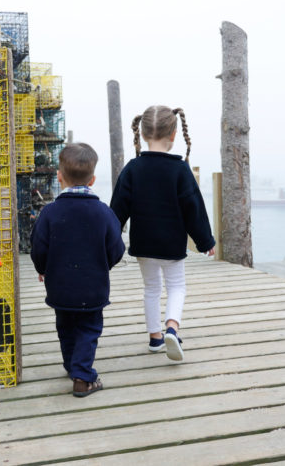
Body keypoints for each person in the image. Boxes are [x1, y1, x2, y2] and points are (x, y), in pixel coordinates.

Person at [110, 105, 215, 362]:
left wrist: (109, 240)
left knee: (151, 288)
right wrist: (205, 241)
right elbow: (194, 209)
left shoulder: (132, 169)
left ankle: (155, 338)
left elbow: (117, 210)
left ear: (143, 134)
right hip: (171, 244)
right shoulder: (180, 170)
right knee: (177, 286)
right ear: (174, 134)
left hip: (143, 243)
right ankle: (172, 327)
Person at [30, 143, 125, 397]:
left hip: (60, 286)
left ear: (59, 177)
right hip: (93, 286)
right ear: (93, 179)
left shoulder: (49, 212)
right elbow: (116, 248)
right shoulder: (104, 213)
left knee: (66, 326)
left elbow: (38, 246)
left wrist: (43, 268)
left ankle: (72, 365)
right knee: (89, 329)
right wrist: (103, 264)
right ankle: (83, 376)